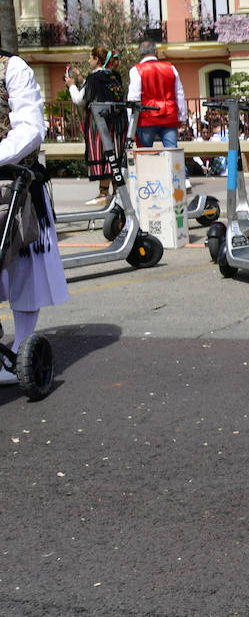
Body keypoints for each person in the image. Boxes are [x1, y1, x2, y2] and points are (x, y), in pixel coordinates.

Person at [0, 51, 70, 387]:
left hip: (15, 187)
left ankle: (19, 347)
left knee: (24, 270)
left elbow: (31, 127)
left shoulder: (12, 68)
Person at [65, 47, 127, 206]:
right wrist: (81, 79)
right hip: (118, 123)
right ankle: (117, 192)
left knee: (103, 153)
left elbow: (80, 99)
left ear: (98, 60)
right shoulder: (114, 76)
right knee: (115, 155)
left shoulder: (93, 78)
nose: (88, 60)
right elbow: (98, 90)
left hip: (100, 122)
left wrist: (72, 85)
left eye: (91, 58)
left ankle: (103, 193)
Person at [127, 40, 187, 147]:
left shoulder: (136, 70)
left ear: (140, 53)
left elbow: (133, 98)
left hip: (147, 118)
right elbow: (179, 94)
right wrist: (182, 117)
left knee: (145, 154)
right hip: (169, 116)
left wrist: (131, 122)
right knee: (172, 153)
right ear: (156, 52)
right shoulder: (171, 68)